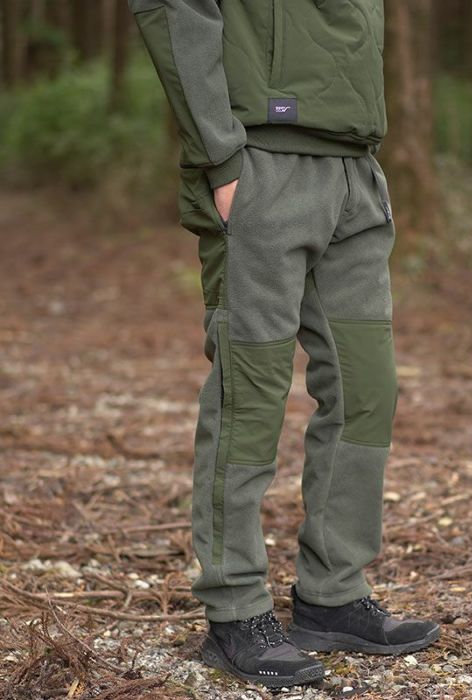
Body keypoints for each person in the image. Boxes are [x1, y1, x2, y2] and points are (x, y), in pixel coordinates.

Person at [129, 0, 440, 688]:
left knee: (367, 391)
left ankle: (333, 594)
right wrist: (219, 153)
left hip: (354, 167)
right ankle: (235, 608)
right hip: (263, 161)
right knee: (250, 394)